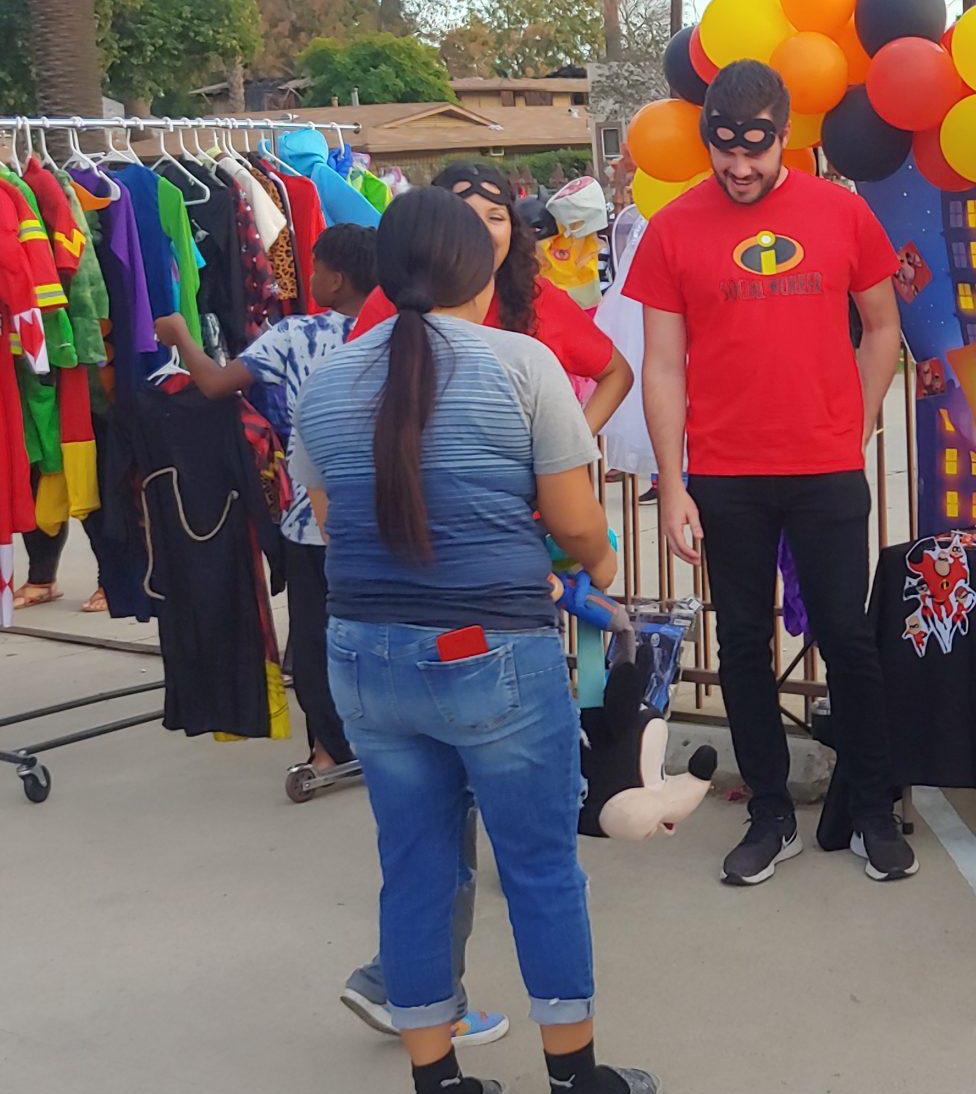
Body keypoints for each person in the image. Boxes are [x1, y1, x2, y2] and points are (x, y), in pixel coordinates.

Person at [290, 187, 655, 1094]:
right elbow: (576, 525)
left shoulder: (327, 382)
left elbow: (329, 523)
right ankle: (575, 1087)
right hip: (490, 650)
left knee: (413, 868)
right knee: (539, 867)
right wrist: (601, 571)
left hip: (363, 657)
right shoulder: (522, 365)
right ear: (482, 273)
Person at [631, 59, 913, 885]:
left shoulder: (842, 212)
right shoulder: (674, 228)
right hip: (725, 474)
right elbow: (662, 365)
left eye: (756, 150)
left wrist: (853, 424)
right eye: (725, 152)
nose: (741, 168)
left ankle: (869, 808)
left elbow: (882, 326)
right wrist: (674, 484)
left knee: (849, 641)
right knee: (745, 646)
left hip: (823, 469)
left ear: (786, 136)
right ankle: (770, 811)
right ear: (707, 140)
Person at [155, 223, 378, 784]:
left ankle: (330, 749)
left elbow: (215, 384)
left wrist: (182, 336)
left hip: (311, 519)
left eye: (316, 268)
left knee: (314, 639)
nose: (308, 277)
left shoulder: (296, 335)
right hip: (381, 517)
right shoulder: (397, 332)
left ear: (337, 276)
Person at [351, 160, 634, 434]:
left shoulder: (536, 297)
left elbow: (616, 373)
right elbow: (351, 390)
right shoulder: (392, 298)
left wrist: (571, 448)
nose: (481, 232)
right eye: (465, 217)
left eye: (495, 218)